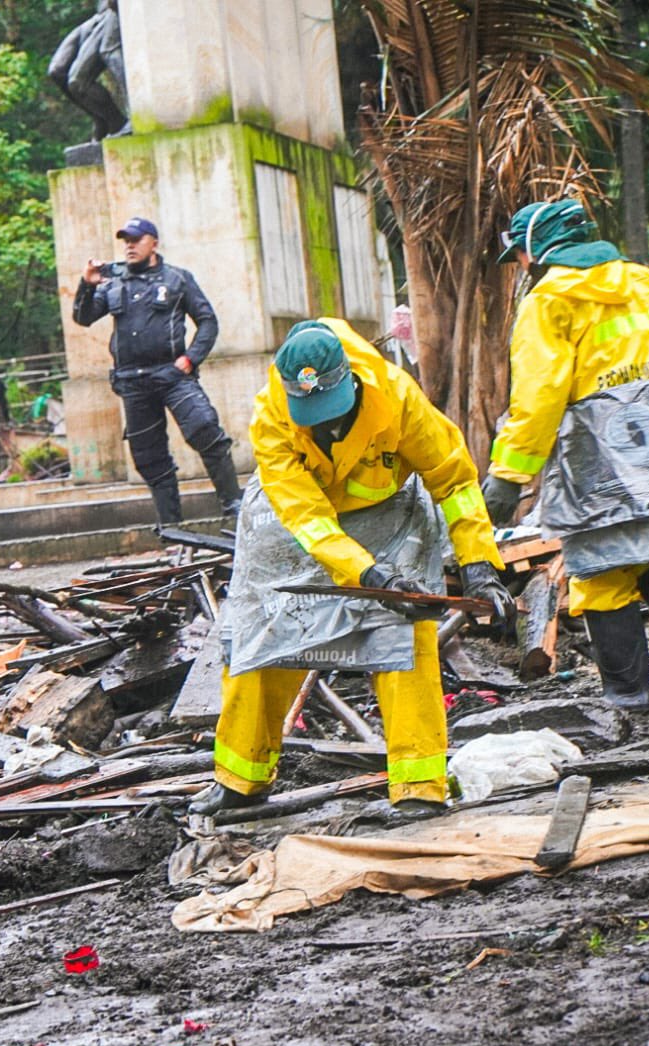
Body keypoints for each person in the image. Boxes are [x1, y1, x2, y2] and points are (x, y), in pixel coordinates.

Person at [189, 319, 514, 818]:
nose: (323, 425)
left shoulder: (397, 397)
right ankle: (241, 779)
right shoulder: (271, 417)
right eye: (311, 416)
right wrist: (367, 574)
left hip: (391, 513)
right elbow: (307, 518)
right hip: (296, 526)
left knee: (405, 638)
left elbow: (453, 479)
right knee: (261, 633)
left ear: (353, 383)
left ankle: (419, 787)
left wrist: (479, 562)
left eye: (332, 413)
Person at [483, 200, 649, 712]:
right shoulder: (644, 280)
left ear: (537, 251)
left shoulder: (548, 300)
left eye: (522, 257)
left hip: (599, 449)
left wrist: (509, 474)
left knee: (599, 568)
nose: (522, 268)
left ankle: (626, 694)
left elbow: (538, 396)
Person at [74, 217, 243, 527]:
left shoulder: (178, 279)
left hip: (172, 375)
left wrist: (191, 358)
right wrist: (87, 284)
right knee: (149, 457)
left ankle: (235, 508)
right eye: (125, 240)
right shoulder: (113, 282)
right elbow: (83, 318)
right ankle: (171, 527)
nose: (129, 245)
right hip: (132, 381)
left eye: (136, 239)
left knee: (206, 429)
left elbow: (208, 321)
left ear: (154, 242)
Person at [49, 0, 129, 140]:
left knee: (78, 81)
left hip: (112, 12)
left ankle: (118, 121)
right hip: (97, 15)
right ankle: (101, 120)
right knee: (57, 70)